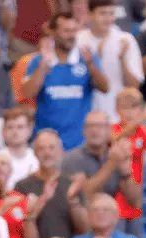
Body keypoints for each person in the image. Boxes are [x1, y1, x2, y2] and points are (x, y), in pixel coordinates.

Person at [21, 11, 108, 151]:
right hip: (46, 144)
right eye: (66, 31)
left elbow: (105, 88)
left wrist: (91, 65)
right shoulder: (38, 60)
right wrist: (43, 66)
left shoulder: (86, 58)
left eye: (74, 30)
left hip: (80, 143)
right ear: (53, 32)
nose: (71, 35)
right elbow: (26, 92)